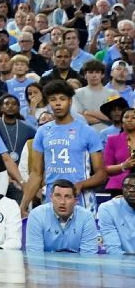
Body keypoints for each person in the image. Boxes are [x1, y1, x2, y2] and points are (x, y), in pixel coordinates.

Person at [19, 81, 106, 215]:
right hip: (51, 200)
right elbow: (36, 174)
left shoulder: (87, 131)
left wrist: (81, 184)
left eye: (62, 99)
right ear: (48, 103)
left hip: (81, 200)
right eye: (53, 100)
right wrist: (23, 205)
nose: (58, 103)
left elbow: (101, 174)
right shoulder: (42, 132)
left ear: (70, 101)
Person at [24, 179, 98, 254]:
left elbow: (89, 256)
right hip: (45, 265)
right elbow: (34, 255)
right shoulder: (37, 215)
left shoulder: (86, 217)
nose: (62, 202)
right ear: (51, 198)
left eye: (68, 197)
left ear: (75, 201)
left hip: (77, 265)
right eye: (57, 196)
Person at [96, 172, 135, 255]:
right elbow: (114, 250)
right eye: (127, 186)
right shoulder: (108, 209)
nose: (131, 190)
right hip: (122, 264)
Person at [101, 104, 135, 194]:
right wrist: (123, 166)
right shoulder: (113, 140)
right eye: (126, 117)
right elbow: (106, 168)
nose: (129, 120)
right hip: (119, 186)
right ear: (122, 121)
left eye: (133, 117)